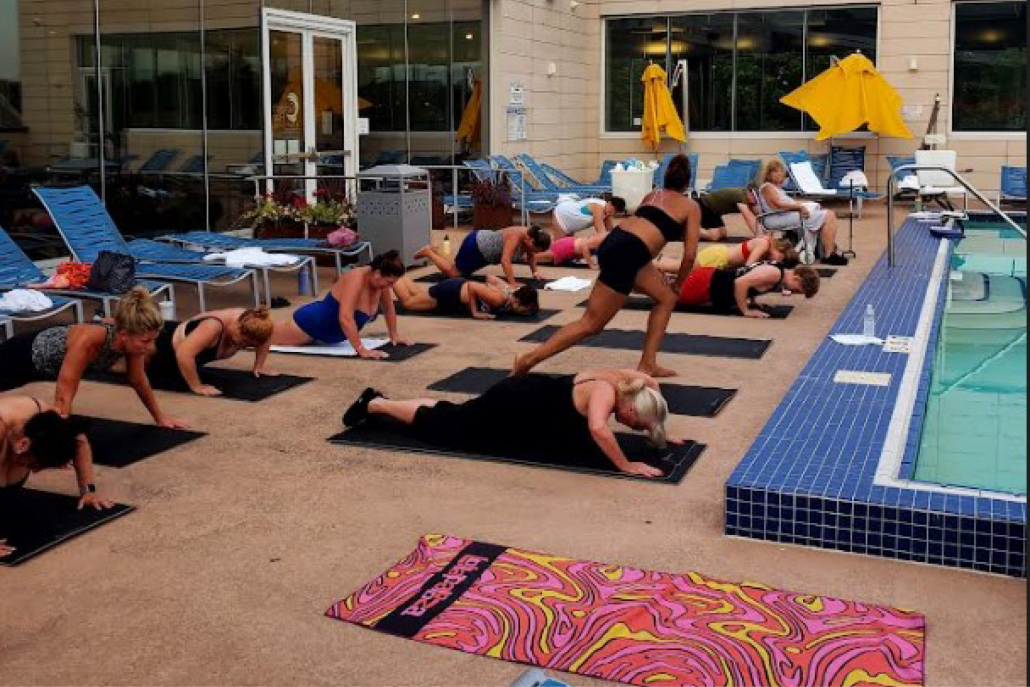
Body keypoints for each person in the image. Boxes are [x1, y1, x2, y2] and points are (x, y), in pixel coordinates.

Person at [513, 154, 702, 378]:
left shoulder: (652, 195)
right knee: (591, 323)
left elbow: (643, 234)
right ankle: (528, 359)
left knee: (666, 298)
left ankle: (648, 363)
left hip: (618, 241)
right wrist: (679, 283)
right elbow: (690, 256)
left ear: (665, 178)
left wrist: (664, 284)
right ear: (687, 183)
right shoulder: (691, 207)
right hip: (629, 251)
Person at [343, 369, 678, 479]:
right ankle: (374, 403)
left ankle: (387, 402)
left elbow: (653, 385)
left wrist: (659, 426)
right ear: (630, 410)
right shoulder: (606, 393)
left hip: (530, 395)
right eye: (636, 425)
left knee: (454, 413)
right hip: (515, 404)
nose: (634, 429)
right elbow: (598, 429)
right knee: (449, 428)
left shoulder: (630, 380)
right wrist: (626, 464)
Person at [0, 287, 187, 428]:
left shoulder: (132, 343)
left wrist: (160, 418)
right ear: (123, 334)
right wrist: (64, 446)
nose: (150, 347)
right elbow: (64, 396)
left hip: (38, 369)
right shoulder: (89, 340)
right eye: (146, 341)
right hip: (18, 355)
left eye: (152, 340)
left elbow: (138, 381)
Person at [0, 398, 113, 558]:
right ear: (23, 444)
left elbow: (79, 440)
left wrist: (87, 490)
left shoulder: (46, 417)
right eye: (34, 463)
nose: (36, 471)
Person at [271, 251, 410, 359]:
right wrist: (361, 349)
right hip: (307, 326)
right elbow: (345, 317)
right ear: (377, 274)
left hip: (325, 334)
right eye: (390, 282)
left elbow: (388, 308)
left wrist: (394, 335)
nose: (391, 287)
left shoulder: (380, 284)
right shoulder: (356, 278)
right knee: (257, 336)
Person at [129, 308, 277, 397]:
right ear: (238, 325)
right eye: (242, 340)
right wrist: (196, 386)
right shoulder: (213, 326)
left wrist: (259, 366)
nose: (242, 345)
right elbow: (184, 355)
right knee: (119, 366)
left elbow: (266, 338)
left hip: (177, 352)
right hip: (160, 347)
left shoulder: (257, 323)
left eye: (248, 344)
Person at [756, 159, 849, 266]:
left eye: (781, 171)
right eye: (775, 172)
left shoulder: (778, 189)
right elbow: (777, 205)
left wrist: (806, 203)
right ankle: (828, 254)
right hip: (776, 218)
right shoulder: (767, 187)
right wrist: (799, 208)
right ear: (768, 174)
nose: (779, 174)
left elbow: (789, 202)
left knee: (821, 212)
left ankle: (820, 250)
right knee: (829, 215)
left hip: (784, 215)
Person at [657, 260, 821, 318]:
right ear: (797, 278)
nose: (793, 293)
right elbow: (741, 283)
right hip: (707, 285)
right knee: (660, 293)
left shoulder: (779, 269)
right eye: (797, 290)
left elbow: (752, 281)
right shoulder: (775, 274)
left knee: (663, 286)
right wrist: (746, 311)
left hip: (710, 281)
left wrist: (752, 302)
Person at [415, 226, 552, 287]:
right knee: (455, 274)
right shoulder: (515, 236)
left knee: (458, 269)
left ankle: (435, 251)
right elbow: (505, 260)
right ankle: (429, 252)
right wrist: (512, 283)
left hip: (481, 248)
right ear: (531, 241)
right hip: (476, 246)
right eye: (536, 248)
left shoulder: (529, 236)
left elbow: (531, 255)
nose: (533, 252)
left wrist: (535, 272)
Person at [392, 275, 540, 320]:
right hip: (452, 293)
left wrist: (491, 288)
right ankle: (391, 275)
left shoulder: (509, 291)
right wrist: (475, 312)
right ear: (518, 301)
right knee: (408, 303)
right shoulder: (499, 299)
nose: (523, 312)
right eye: (524, 310)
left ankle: (402, 276)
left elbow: (491, 278)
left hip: (454, 289)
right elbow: (472, 286)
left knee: (418, 296)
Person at [694, 236, 798, 270]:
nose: (777, 262)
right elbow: (748, 266)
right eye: (781, 260)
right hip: (718, 257)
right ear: (780, 251)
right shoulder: (764, 244)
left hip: (723, 260)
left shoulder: (767, 250)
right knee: (682, 267)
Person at [551, 196, 626, 238]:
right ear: (609, 203)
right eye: (612, 209)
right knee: (557, 250)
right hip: (562, 214)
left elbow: (610, 231)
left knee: (567, 251)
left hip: (571, 221)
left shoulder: (608, 213)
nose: (612, 213)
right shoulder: (598, 207)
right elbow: (601, 231)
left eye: (615, 212)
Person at [536, 231, 608, 270]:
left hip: (568, 245)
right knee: (534, 258)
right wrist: (591, 265)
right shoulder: (604, 237)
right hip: (565, 247)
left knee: (537, 256)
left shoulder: (606, 236)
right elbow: (584, 246)